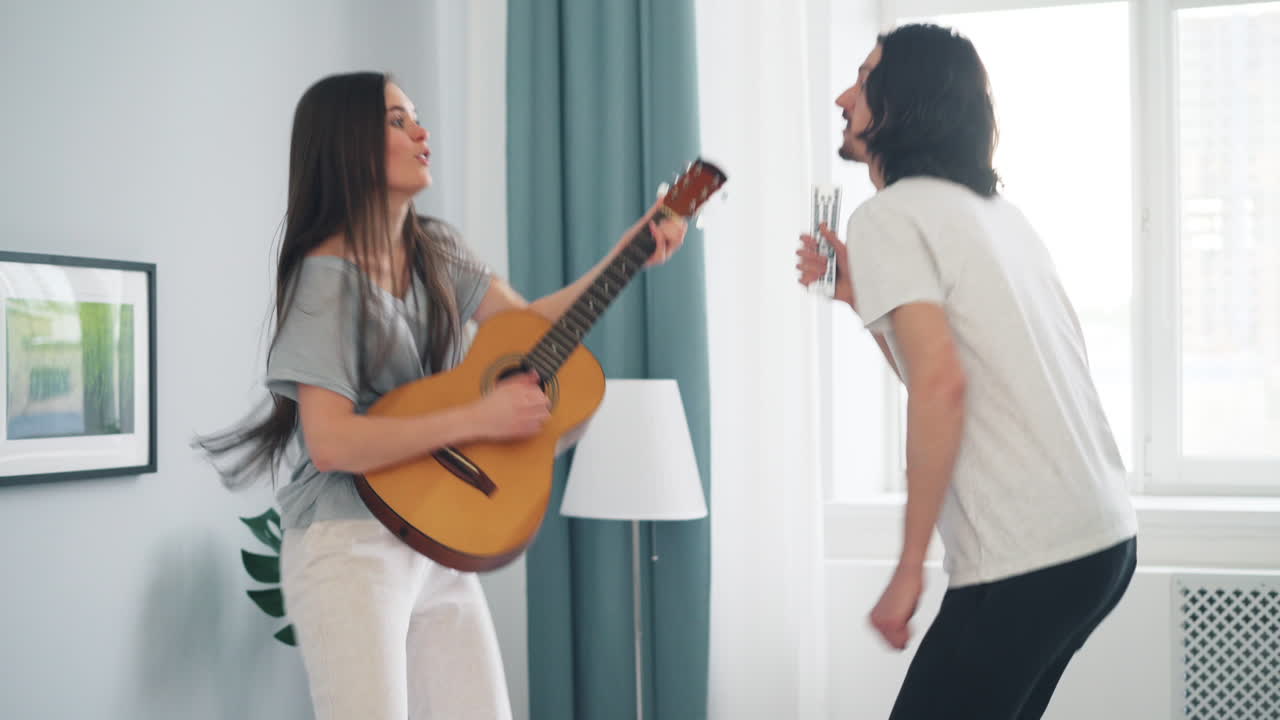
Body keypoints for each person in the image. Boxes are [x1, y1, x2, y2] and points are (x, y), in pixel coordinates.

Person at [197, 71, 686, 720]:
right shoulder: (325, 282)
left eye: (416, 118)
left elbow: (529, 328)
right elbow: (332, 440)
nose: (421, 132)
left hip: (435, 527)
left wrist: (626, 255)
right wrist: (479, 417)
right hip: (348, 542)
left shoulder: (435, 250)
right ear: (348, 146)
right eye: (397, 122)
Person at [796, 24, 1137, 719]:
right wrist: (861, 296)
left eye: (862, 80)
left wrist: (908, 569)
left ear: (905, 100)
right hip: (1101, 541)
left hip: (1028, 555)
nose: (843, 95)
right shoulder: (996, 215)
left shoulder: (889, 213)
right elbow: (950, 376)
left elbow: (941, 388)